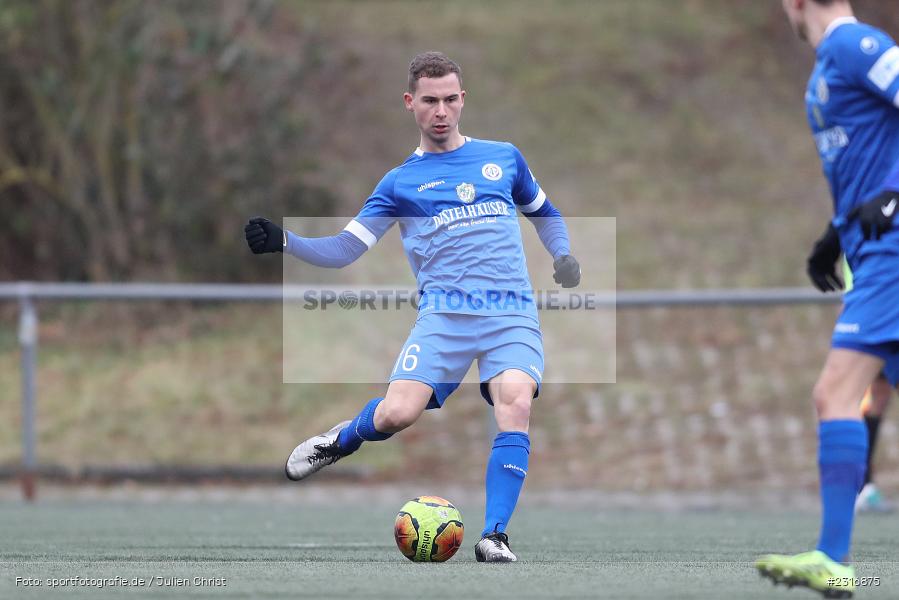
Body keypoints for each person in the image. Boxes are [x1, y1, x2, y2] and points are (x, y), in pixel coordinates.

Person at [244, 52, 581, 563]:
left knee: (516, 403)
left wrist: (563, 255)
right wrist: (286, 241)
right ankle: (340, 439)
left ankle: (494, 535)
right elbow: (346, 248)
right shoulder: (399, 183)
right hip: (444, 318)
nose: (441, 111)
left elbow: (545, 213)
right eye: (429, 101)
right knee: (397, 413)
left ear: (462, 99)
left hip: (510, 313)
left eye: (449, 99)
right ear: (410, 103)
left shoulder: (504, 158)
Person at [757, 0, 899, 596]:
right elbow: (869, 162)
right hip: (869, 252)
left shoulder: (854, 46)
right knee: (843, 394)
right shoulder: (828, 65)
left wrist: (895, 196)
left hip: (893, 254)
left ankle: (833, 559)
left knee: (835, 393)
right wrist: (835, 234)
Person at [808, 240, 896, 514]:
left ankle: (860, 486)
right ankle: (862, 485)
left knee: (846, 397)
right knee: (860, 397)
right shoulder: (858, 229)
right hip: (871, 315)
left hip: (879, 314)